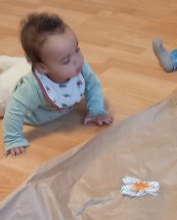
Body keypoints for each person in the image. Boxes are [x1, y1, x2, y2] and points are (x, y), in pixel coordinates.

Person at [3, 13, 113, 156]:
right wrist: (13, 138)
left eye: (77, 50)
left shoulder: (78, 67)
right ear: (43, 67)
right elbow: (14, 110)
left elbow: (93, 85)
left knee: (19, 65)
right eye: (66, 60)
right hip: (7, 95)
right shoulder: (33, 88)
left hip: (29, 70)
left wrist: (97, 110)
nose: (77, 60)